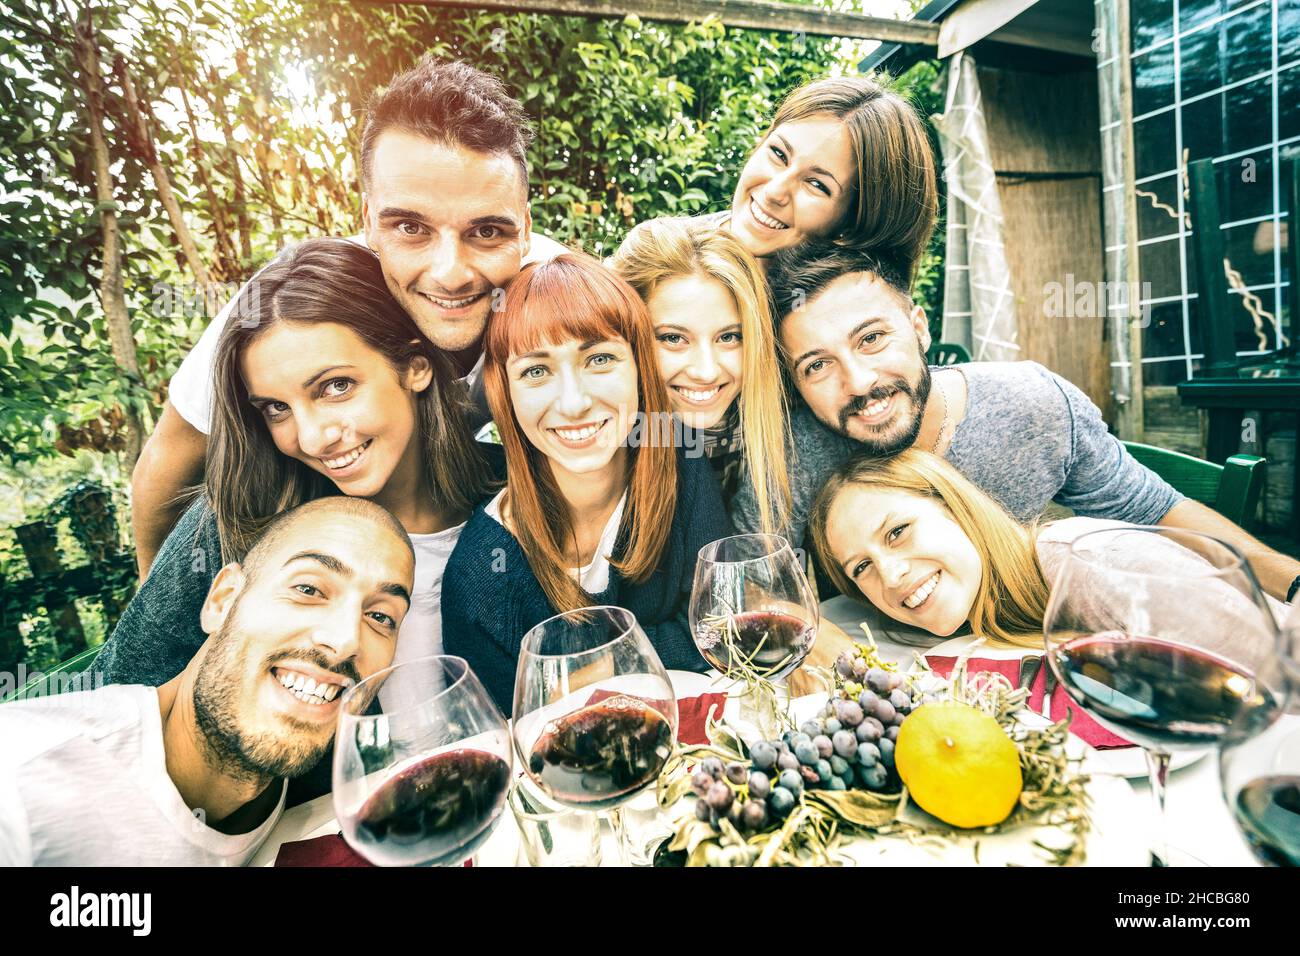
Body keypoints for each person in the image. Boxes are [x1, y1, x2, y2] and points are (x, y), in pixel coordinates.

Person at [130, 57, 567, 577]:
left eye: (488, 232)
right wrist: (157, 613)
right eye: (410, 227)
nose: (451, 274)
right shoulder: (291, 315)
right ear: (368, 223)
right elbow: (168, 465)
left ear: (524, 231)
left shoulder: (554, 300)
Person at [736, 241, 1300, 604]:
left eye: (872, 338)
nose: (857, 382)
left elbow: (1157, 512)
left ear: (919, 327)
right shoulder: (788, 455)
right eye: (818, 366)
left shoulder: (1031, 405)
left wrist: (1289, 580)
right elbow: (754, 591)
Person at [91, 238, 489, 689]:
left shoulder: (520, 500)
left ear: (415, 367)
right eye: (277, 408)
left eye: (336, 387)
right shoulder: (235, 524)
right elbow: (117, 696)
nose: (313, 437)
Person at [0, 497, 415, 865]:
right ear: (222, 600)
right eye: (308, 588)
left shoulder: (317, 802)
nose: (344, 641)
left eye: (381, 616)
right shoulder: (23, 780)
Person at [441, 253, 732, 713]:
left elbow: (724, 625)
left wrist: (598, 671)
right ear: (505, 392)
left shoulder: (681, 459)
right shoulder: (481, 574)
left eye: (599, 359)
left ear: (639, 366)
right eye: (536, 371)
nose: (573, 403)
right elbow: (510, 736)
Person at [808, 450, 1289, 646]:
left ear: (955, 507)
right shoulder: (994, 610)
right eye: (862, 567)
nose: (890, 576)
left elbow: (1272, 674)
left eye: (898, 531)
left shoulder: (1092, 561)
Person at [611, 217, 790, 530]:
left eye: (730, 337)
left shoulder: (787, 416)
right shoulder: (602, 433)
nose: (706, 371)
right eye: (673, 338)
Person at [684, 74, 937, 280]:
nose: (774, 192)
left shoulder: (842, 319)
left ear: (852, 226)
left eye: (817, 185)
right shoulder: (656, 260)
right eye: (778, 154)